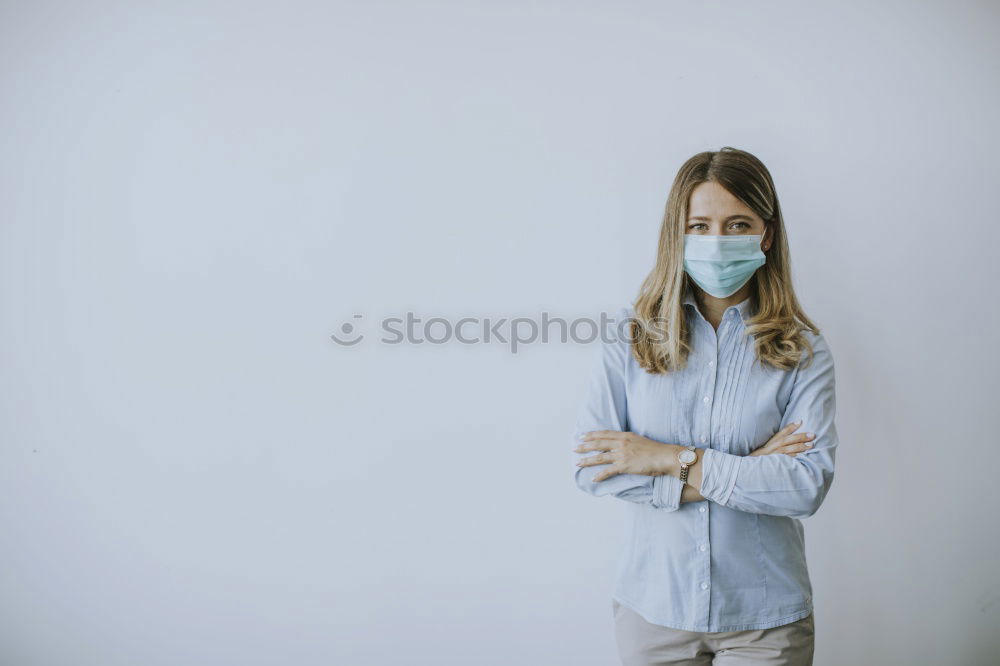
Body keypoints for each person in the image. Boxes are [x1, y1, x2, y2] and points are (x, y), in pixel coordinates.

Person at [571, 147, 836, 665]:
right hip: (653, 609)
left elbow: (805, 486)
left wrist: (670, 458)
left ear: (767, 234)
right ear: (678, 233)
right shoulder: (630, 336)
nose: (718, 241)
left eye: (738, 224)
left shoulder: (801, 348)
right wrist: (751, 470)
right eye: (701, 224)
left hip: (766, 619)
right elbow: (593, 468)